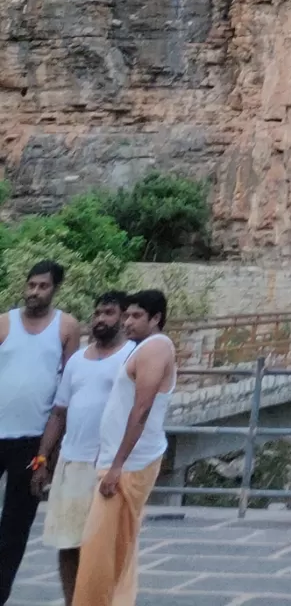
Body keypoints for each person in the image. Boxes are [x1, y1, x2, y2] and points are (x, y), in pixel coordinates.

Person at [72, 289, 175, 606]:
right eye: (127, 315)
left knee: (98, 552)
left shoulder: (156, 348)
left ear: (155, 319)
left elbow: (141, 410)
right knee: (118, 548)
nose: (128, 322)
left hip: (129, 465)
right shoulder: (142, 348)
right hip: (121, 461)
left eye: (136, 316)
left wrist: (117, 465)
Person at [33, 294, 131, 606]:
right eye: (98, 312)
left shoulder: (133, 357)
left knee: (102, 548)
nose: (101, 318)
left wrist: (121, 464)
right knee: (68, 544)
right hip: (71, 464)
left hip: (108, 466)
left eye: (109, 313)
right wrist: (42, 459)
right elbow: (59, 413)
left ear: (123, 317)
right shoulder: (77, 360)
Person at [0, 259, 82, 606]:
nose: (34, 292)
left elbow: (68, 389)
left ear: (55, 289)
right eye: (31, 285)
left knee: (15, 530)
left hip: (34, 441)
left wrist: (50, 452)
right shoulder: (4, 322)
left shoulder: (66, 327)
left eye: (42, 286)